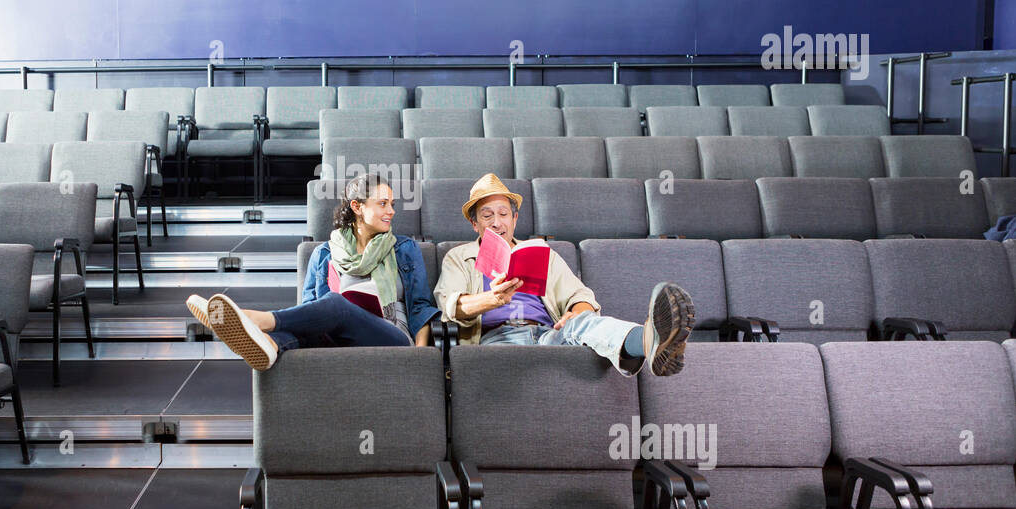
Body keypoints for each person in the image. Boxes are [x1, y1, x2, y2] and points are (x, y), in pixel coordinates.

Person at [433, 173, 694, 376]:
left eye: (503, 214)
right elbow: (452, 305)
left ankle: (651, 341)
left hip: (548, 335)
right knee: (510, 359)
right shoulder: (459, 257)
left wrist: (577, 311)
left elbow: (580, 296)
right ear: (474, 223)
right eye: (487, 216)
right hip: (497, 341)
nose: (496, 222)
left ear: (515, 219)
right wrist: (494, 299)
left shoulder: (540, 253)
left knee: (584, 323)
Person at [186, 174, 439, 372]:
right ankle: (269, 345)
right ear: (357, 207)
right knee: (322, 314)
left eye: (392, 204)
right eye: (383, 204)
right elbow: (310, 312)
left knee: (336, 304)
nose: (391, 211)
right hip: (336, 337)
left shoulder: (403, 248)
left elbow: (420, 306)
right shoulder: (324, 254)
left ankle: (257, 319)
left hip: (390, 336)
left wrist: (417, 358)